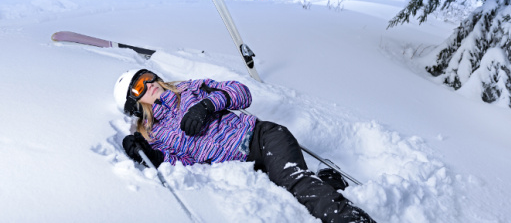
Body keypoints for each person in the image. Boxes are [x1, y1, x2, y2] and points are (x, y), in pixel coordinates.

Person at [114, 69, 375, 223]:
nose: (148, 84)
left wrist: (207, 105)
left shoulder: (190, 88)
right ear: (133, 104)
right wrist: (149, 154)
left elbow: (241, 91)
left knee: (295, 184)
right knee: (290, 201)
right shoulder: (157, 133)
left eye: (147, 77)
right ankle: (328, 180)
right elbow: (179, 165)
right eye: (138, 87)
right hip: (242, 172)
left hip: (260, 139)